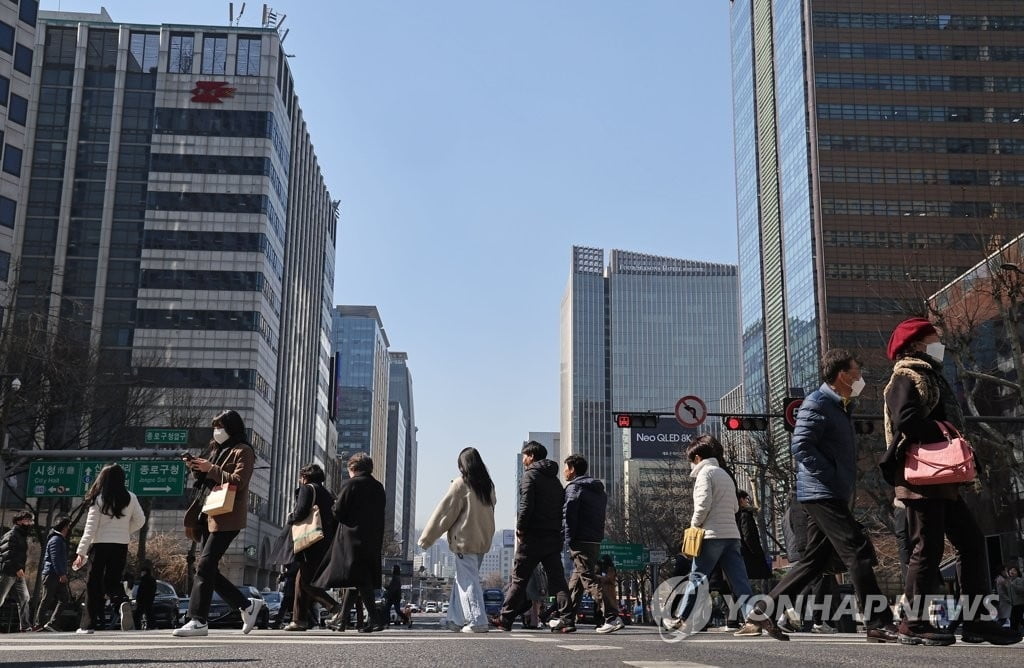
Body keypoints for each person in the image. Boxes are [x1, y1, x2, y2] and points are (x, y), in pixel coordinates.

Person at [736, 349, 897, 642]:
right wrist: (831, 474)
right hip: (822, 493)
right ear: (842, 375)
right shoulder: (818, 402)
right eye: (857, 372)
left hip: (830, 491)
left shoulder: (841, 405)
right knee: (857, 550)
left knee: (814, 562)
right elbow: (801, 446)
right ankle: (878, 621)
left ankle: (762, 611)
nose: (860, 377)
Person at [881, 318, 1022, 646]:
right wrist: (947, 434)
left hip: (941, 479)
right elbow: (905, 420)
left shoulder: (931, 375)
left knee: (972, 544)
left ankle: (976, 621)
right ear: (916, 344)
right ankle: (913, 623)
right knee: (926, 549)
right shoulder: (906, 375)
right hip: (922, 477)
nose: (939, 343)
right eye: (934, 338)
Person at [174, 410, 264, 637]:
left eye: (220, 426)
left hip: (227, 515)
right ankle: (246, 605)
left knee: (204, 566)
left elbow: (239, 481)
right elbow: (208, 480)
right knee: (206, 568)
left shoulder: (244, 451)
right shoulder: (217, 450)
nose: (217, 431)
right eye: (215, 427)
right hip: (207, 512)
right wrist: (197, 468)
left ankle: (198, 619)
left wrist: (210, 469)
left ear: (232, 428)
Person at [667, 436, 753, 634]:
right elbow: (734, 507)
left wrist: (694, 525)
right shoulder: (725, 474)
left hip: (711, 535)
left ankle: (681, 618)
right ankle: (753, 619)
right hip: (732, 535)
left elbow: (703, 504)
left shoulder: (705, 474)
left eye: (690, 460)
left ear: (697, 457)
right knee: (740, 581)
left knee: (696, 578)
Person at [493, 441, 573, 633]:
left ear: (531, 456)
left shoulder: (530, 475)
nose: (523, 460)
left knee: (519, 579)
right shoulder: (555, 481)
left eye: (525, 456)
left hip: (532, 536)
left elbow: (526, 504)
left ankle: (505, 620)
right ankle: (568, 620)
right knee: (558, 580)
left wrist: (521, 529)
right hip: (552, 537)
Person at [419, 447, 496, 633]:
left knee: (467, 582)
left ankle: (477, 621)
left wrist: (426, 539)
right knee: (462, 579)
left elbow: (444, 514)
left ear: (463, 465)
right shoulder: (488, 485)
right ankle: (454, 620)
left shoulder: (461, 484)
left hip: (465, 541)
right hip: (482, 541)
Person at [315, 453, 386, 633]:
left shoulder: (351, 484)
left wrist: (333, 504)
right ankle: (342, 620)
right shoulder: (378, 487)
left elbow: (338, 512)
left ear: (353, 468)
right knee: (357, 579)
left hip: (351, 538)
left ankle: (375, 619)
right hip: (372, 538)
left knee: (360, 579)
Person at [73, 464, 145, 634]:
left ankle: (89, 624)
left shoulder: (99, 499)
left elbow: (90, 529)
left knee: (94, 583)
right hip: (121, 545)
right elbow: (140, 520)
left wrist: (81, 552)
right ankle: (121, 603)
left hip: (100, 546)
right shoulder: (131, 497)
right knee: (113, 581)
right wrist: (124, 532)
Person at [562, 454, 624, 634]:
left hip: (579, 538)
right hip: (594, 539)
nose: (564, 471)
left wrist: (567, 538)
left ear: (572, 468)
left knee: (588, 579)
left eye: (566, 467)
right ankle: (567, 618)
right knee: (576, 581)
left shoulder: (574, 488)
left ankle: (612, 617)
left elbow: (569, 515)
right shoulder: (598, 490)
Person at [285, 463, 340, 631]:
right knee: (301, 580)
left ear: (305, 477)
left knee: (307, 581)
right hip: (324, 540)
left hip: (309, 541)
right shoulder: (327, 493)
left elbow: (301, 511)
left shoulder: (307, 489)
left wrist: (291, 517)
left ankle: (334, 607)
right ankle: (299, 620)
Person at [34, 515, 73, 632]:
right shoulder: (56, 540)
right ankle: (39, 624)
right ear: (64, 527)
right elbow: (55, 558)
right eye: (68, 526)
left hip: (55, 574)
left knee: (64, 598)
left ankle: (52, 623)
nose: (69, 529)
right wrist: (62, 574)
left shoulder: (58, 539)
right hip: (51, 574)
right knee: (47, 599)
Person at [0, 511, 35, 632]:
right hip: (8, 572)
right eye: (27, 520)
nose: (30, 523)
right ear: (19, 521)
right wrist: (17, 568)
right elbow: (7, 553)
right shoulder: (11, 535)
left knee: (24, 598)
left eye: (31, 520)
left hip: (18, 573)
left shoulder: (21, 535)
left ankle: (25, 626)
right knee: (0, 598)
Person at [134, 566, 157, 630]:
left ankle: (137, 627)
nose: (141, 573)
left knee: (137, 615)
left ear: (145, 572)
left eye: (142, 572)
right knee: (149, 613)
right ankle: (152, 625)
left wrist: (138, 599)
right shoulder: (152, 579)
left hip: (142, 600)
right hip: (149, 599)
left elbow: (141, 591)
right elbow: (153, 590)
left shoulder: (144, 579)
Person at [1007, 566, 1024, 633]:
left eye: (1014, 570)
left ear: (1017, 572)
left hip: (1020, 603)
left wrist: (1012, 585)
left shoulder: (1019, 580)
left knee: (1015, 620)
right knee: (1016, 620)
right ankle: (1014, 633)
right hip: (1013, 604)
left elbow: (1021, 590)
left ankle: (1013, 633)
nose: (1012, 571)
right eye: (1010, 570)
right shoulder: (1010, 581)